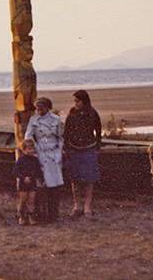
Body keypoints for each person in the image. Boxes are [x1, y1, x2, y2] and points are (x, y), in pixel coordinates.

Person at [63, 90, 102, 218]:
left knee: (89, 179)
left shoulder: (92, 113)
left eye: (78, 101)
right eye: (74, 101)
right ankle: (77, 205)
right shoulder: (71, 112)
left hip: (89, 149)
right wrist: (66, 147)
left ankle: (87, 207)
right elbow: (66, 131)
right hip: (74, 149)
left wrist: (98, 145)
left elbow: (98, 129)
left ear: (84, 101)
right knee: (75, 178)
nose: (76, 104)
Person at [25, 97, 64, 223]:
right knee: (42, 185)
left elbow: (60, 138)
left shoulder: (56, 119)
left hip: (54, 154)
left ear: (48, 107)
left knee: (55, 187)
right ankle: (41, 214)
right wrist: (36, 149)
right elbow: (28, 136)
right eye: (37, 109)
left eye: (41, 109)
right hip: (41, 153)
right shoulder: (34, 119)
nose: (39, 111)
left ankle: (54, 215)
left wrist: (59, 153)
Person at [12, 138, 45, 225]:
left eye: (33, 149)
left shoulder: (35, 160)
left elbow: (39, 171)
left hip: (33, 183)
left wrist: (43, 180)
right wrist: (23, 177)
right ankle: (22, 217)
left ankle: (31, 217)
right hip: (23, 184)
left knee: (32, 200)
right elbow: (15, 172)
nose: (32, 151)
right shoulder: (21, 160)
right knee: (23, 200)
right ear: (24, 149)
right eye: (29, 149)